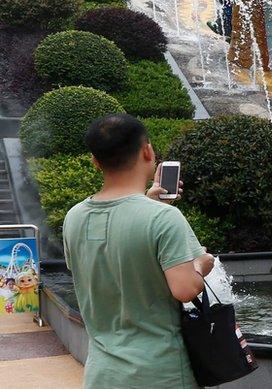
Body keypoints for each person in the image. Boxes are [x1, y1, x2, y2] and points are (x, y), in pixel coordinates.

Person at [63, 114, 214, 388]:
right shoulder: (163, 218)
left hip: (101, 375)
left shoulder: (74, 217)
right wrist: (203, 263)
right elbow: (185, 289)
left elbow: (108, 267)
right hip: (160, 374)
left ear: (95, 162)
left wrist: (148, 203)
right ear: (147, 151)